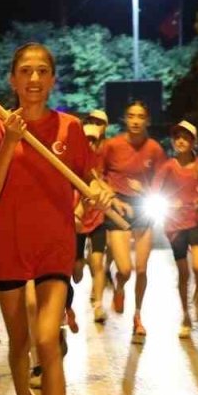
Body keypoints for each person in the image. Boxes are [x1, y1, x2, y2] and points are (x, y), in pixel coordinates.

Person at [0, 42, 111, 395]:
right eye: (25, 71)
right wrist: (11, 140)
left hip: (54, 248)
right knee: (19, 344)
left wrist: (100, 191)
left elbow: (89, 177)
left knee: (48, 340)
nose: (33, 79)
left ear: (52, 80)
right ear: (12, 80)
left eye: (42, 71)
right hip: (9, 248)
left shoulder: (69, 128)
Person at [97, 101, 164, 344]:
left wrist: (146, 189)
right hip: (118, 207)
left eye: (141, 116)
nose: (136, 121)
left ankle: (137, 316)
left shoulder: (155, 149)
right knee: (125, 269)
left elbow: (162, 179)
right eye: (132, 116)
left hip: (144, 205)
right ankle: (118, 287)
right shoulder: (113, 145)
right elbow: (97, 175)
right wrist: (113, 197)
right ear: (125, 119)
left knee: (142, 268)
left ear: (147, 120)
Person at [152, 121, 198, 337]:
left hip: (197, 221)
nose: (181, 141)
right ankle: (185, 316)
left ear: (193, 141)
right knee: (183, 273)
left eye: (185, 137)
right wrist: (168, 201)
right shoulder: (168, 167)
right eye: (177, 138)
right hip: (175, 225)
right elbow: (155, 191)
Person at [74, 123, 109, 323]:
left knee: (98, 262)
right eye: (85, 139)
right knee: (76, 272)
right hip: (77, 220)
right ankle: (81, 260)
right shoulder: (73, 160)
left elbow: (110, 186)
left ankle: (98, 306)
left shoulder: (102, 161)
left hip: (97, 219)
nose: (88, 143)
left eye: (93, 140)